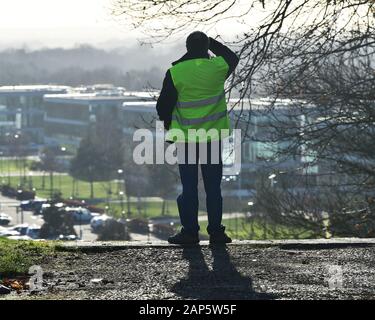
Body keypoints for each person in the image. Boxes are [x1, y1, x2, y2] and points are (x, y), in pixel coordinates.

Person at [156, 31, 239, 244]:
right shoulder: (217, 68)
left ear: (187, 48)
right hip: (212, 137)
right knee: (213, 188)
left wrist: (168, 123)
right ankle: (217, 233)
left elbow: (163, 106)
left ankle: (190, 232)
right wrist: (213, 43)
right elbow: (232, 57)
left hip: (186, 139)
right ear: (206, 47)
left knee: (189, 187)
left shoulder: (176, 72)